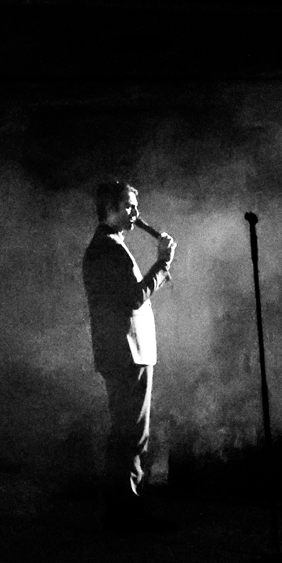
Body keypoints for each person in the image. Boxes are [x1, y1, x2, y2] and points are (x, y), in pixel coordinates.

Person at [82, 181, 176, 531]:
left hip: (125, 352)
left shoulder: (109, 247)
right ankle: (127, 513)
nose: (136, 213)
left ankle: (122, 510)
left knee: (128, 432)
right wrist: (163, 263)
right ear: (110, 209)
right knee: (131, 435)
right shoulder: (107, 250)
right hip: (127, 353)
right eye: (129, 206)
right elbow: (134, 298)